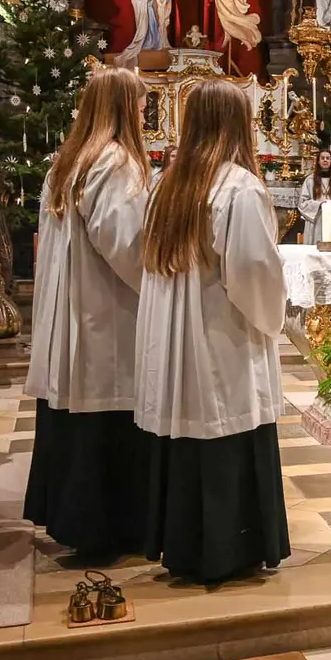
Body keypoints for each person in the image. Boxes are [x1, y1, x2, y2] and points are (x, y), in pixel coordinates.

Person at [136, 80, 290, 584]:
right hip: (222, 342)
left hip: (179, 344)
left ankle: (183, 546)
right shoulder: (237, 187)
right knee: (225, 426)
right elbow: (252, 273)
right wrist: (275, 313)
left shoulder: (167, 182)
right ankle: (228, 549)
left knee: (189, 435)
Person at [24, 67, 152, 561]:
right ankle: (106, 530)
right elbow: (124, 243)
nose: (145, 113)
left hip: (76, 312)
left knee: (78, 417)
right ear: (122, 108)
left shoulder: (70, 160)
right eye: (140, 105)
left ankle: (75, 520)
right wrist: (165, 268)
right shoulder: (114, 162)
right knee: (106, 417)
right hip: (105, 314)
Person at [120, 0, 176, 69]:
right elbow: (134, 0)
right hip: (144, 14)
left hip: (153, 14)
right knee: (145, 30)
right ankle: (145, 44)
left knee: (154, 29)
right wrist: (145, 1)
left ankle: (154, 44)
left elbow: (162, 2)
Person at [299, 149, 331, 244]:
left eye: (328, 158)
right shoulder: (310, 180)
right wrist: (319, 204)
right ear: (318, 161)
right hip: (316, 219)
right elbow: (302, 202)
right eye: (322, 158)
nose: (325, 160)